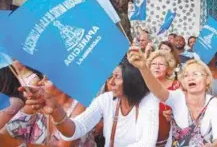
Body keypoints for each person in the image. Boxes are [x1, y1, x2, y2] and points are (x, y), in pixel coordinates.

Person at [12, 62, 159, 147]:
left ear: (131, 81)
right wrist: (56, 110)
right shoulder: (106, 99)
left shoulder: (150, 101)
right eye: (110, 77)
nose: (111, 82)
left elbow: (147, 142)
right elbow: (76, 129)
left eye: (117, 77)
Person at [128, 47, 217, 147]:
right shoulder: (178, 97)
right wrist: (143, 67)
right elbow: (159, 90)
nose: (190, 78)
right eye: (186, 75)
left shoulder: (213, 102)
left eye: (195, 74)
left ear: (208, 80)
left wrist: (214, 145)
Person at [2, 76, 95, 147]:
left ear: (63, 83)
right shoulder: (37, 102)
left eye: (47, 79)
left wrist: (20, 143)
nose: (40, 82)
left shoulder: (80, 107)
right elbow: (6, 134)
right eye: (42, 78)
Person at [147, 51, 180, 146]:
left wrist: (174, 115)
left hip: (169, 140)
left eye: (161, 64)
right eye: (153, 64)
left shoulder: (176, 86)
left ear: (168, 68)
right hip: (146, 140)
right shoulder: (143, 86)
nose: (157, 67)